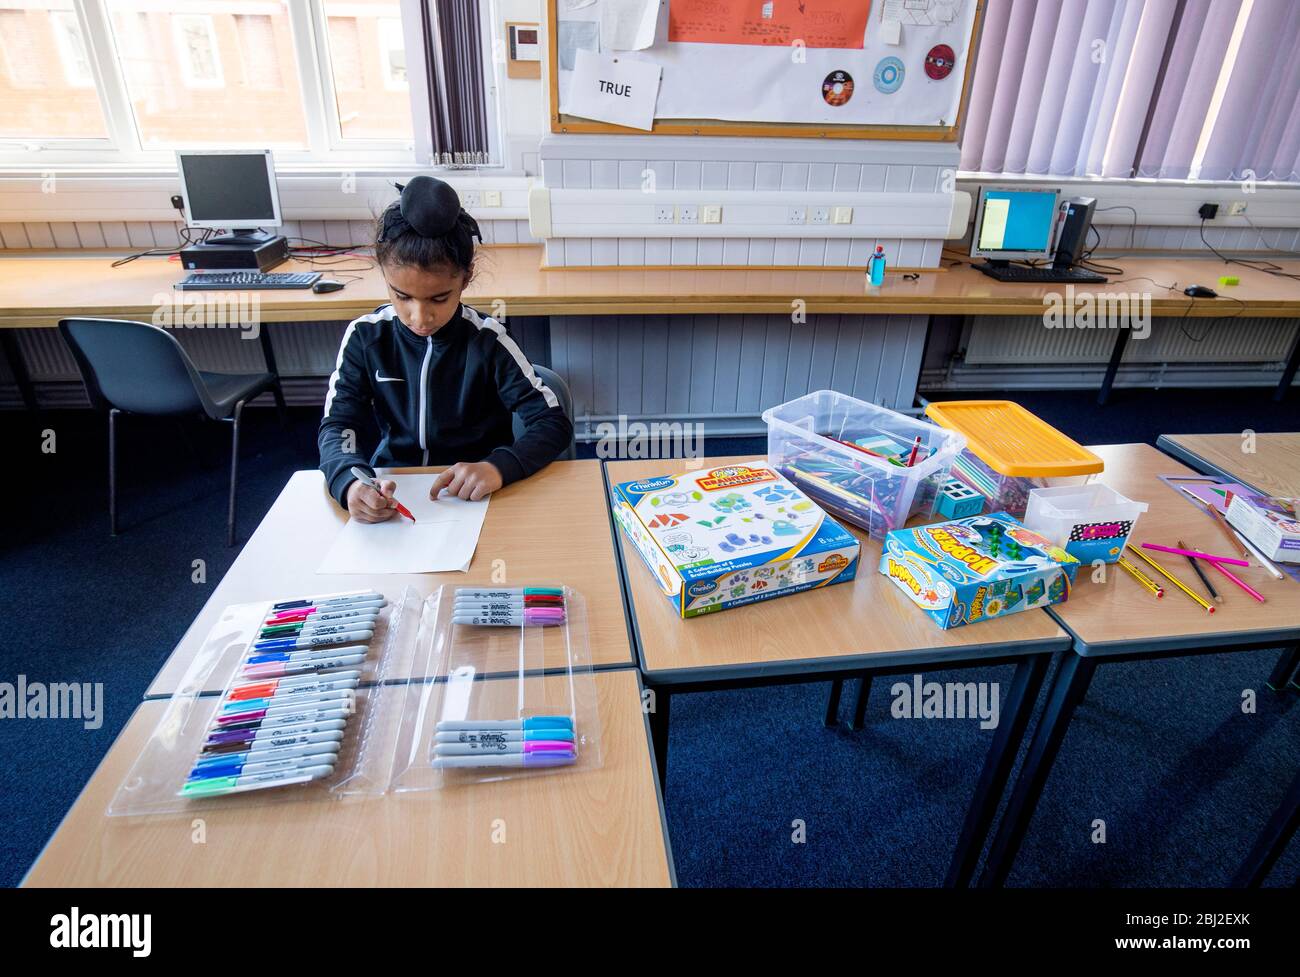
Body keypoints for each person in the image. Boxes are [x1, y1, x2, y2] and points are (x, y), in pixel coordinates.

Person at [319, 175, 572, 522]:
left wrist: (498, 467)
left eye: (439, 298)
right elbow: (338, 427)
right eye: (401, 296)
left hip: (474, 496)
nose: (419, 317)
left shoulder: (489, 341)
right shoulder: (365, 338)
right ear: (384, 275)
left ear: (465, 279)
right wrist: (348, 480)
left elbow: (551, 423)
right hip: (395, 492)